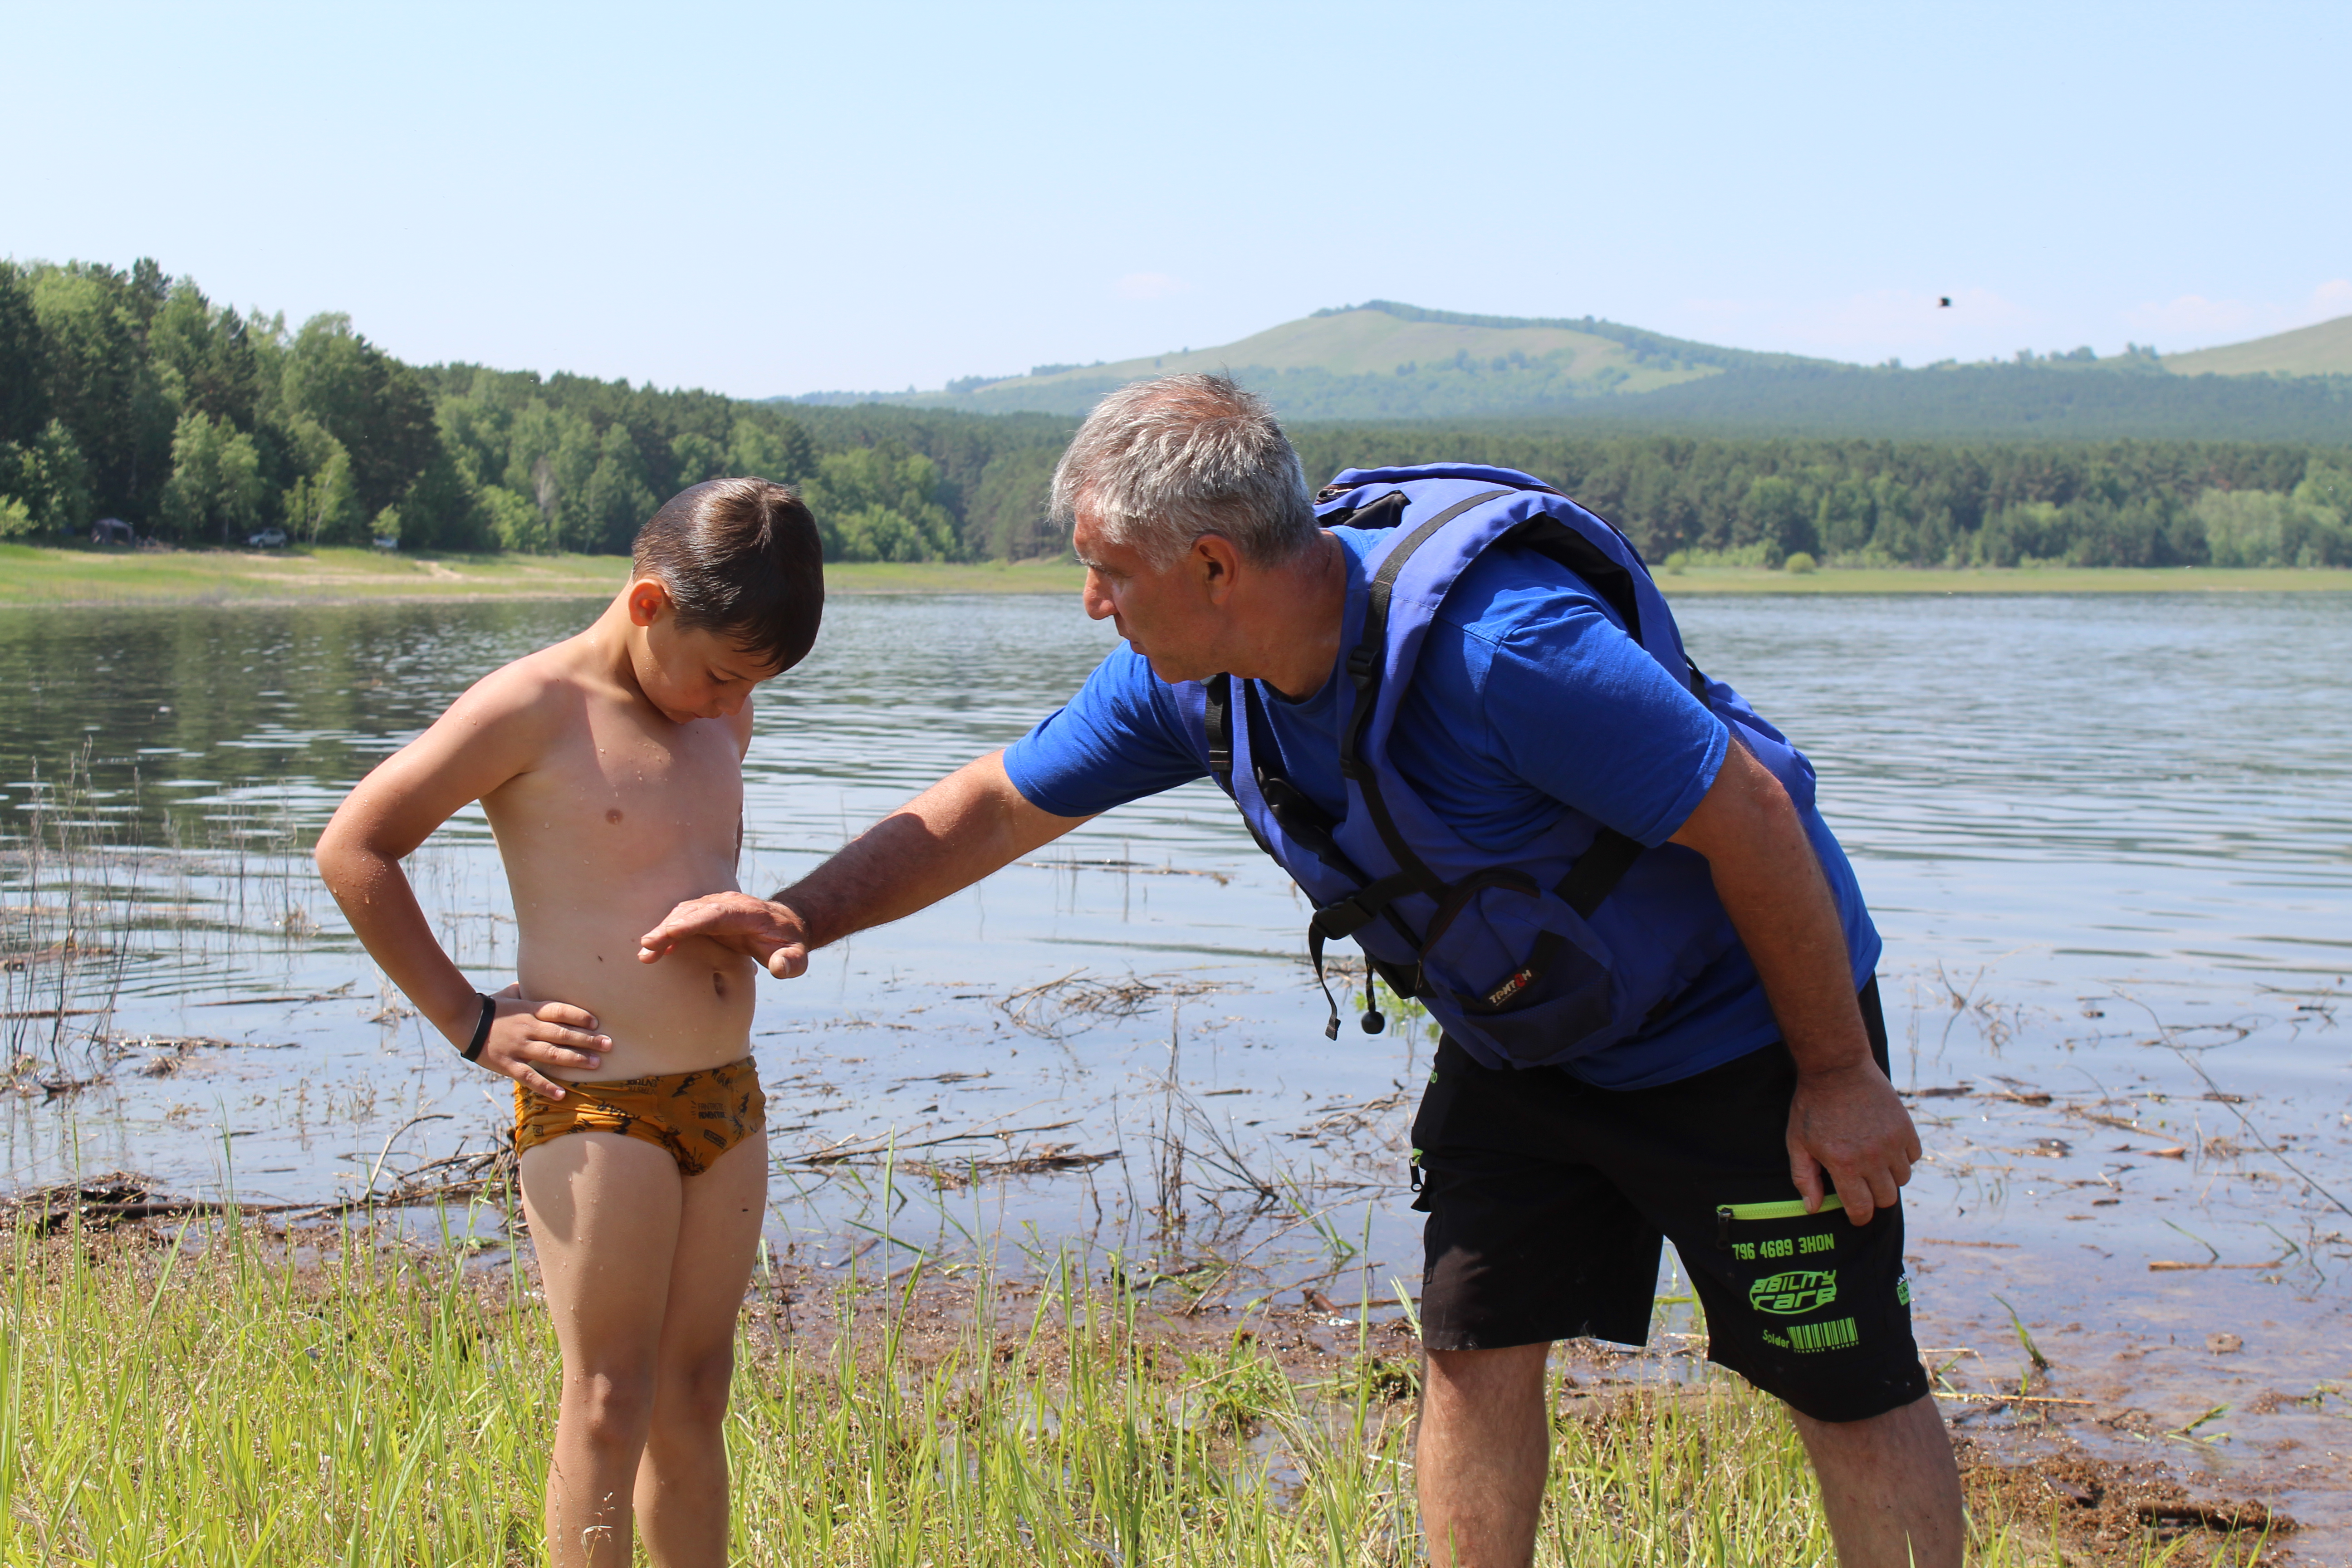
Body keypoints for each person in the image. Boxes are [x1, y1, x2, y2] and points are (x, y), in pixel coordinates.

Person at [636, 377, 1963, 1568]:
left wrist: (1839, 1074)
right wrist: (795, 911)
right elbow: (994, 805)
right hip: (1527, 1048)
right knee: (1472, 1345)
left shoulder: (1511, 651)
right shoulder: (1186, 681)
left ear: (1212, 562)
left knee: (1845, 1382)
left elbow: (1749, 816)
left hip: (1732, 1035)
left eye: (1107, 570)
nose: (1091, 603)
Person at [315, 478, 822, 1568]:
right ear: (648, 606)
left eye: (753, 684)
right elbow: (354, 847)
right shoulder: (533, 705)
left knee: (696, 1393)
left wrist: (764, 927)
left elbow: (673, 868)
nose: (730, 701)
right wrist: (469, 1020)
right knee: (606, 1400)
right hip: (598, 1099)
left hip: (726, 1098)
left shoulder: (719, 705)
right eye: (723, 673)